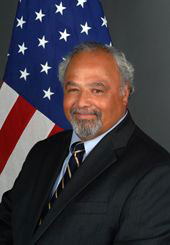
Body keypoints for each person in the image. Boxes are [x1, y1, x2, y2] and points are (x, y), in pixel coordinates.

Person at [0, 42, 170, 245]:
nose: (81, 103)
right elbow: (7, 225)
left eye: (97, 90)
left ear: (124, 94)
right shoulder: (43, 151)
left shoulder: (157, 173)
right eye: (73, 89)